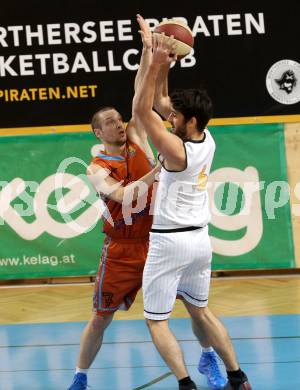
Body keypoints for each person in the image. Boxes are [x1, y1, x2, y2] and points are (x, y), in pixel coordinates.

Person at [133, 16, 252, 390]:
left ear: (190, 120)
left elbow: (141, 110)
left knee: (156, 320)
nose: (171, 118)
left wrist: (152, 60)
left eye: (176, 116)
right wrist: (163, 63)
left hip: (170, 242)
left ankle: (185, 384)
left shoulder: (175, 149)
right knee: (200, 310)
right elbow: (159, 101)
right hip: (200, 241)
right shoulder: (206, 136)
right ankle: (238, 376)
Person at [67, 15, 159, 390]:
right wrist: (159, 171)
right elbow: (123, 194)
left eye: (120, 119)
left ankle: (211, 360)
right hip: (120, 250)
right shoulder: (95, 167)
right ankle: (80, 376)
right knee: (100, 318)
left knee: (191, 306)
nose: (119, 124)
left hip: (156, 242)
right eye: (111, 122)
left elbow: (140, 94)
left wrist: (147, 48)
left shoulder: (136, 136)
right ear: (97, 131)